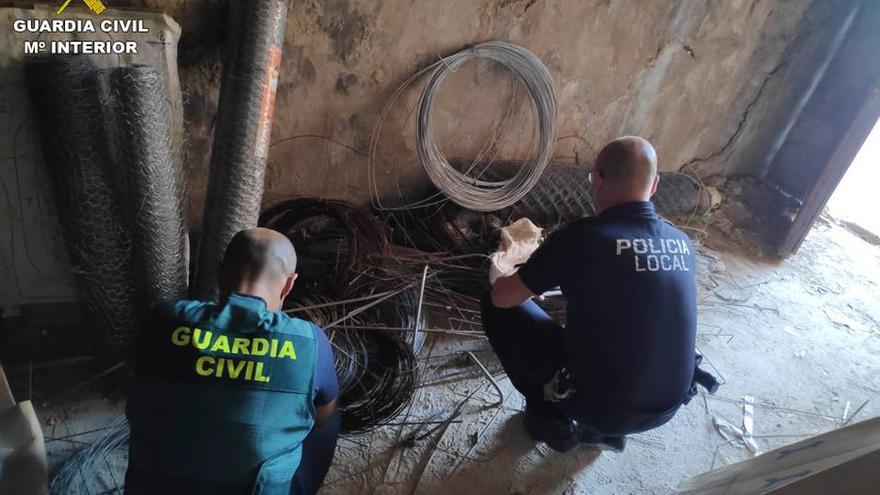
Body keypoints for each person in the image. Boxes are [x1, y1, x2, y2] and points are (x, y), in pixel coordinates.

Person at [483, 136, 707, 453]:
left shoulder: (581, 238)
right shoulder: (681, 241)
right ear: (655, 184)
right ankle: (604, 430)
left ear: (597, 179)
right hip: (668, 404)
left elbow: (503, 298)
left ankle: (551, 419)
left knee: (493, 304)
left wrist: (507, 276)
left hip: (603, 407)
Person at [125, 227, 339, 494]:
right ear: (289, 284)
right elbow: (323, 416)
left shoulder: (166, 319)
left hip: (157, 486)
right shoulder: (309, 340)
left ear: (220, 273)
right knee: (327, 417)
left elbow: (138, 383)